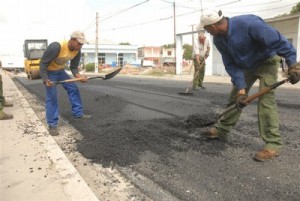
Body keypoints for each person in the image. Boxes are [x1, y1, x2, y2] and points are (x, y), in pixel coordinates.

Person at [198, 9, 300, 162]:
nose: (207, 32)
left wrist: (293, 65)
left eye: (206, 29)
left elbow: (278, 40)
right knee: (235, 98)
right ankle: (222, 129)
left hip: (268, 62)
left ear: (212, 27)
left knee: (266, 101)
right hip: (247, 67)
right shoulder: (219, 40)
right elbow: (231, 64)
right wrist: (241, 90)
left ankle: (273, 144)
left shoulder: (247, 24)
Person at [39, 30, 92, 136]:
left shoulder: (77, 51)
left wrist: (79, 77)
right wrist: (45, 79)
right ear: (72, 40)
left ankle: (78, 113)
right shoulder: (56, 47)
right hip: (49, 72)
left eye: (82, 44)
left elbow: (73, 67)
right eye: (79, 43)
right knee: (52, 97)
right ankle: (52, 125)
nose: (80, 46)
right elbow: (43, 63)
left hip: (60, 71)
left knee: (73, 88)